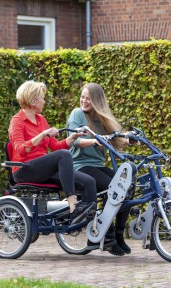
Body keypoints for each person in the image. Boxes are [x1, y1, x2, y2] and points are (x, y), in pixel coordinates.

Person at [8, 80, 97, 222]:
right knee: (63, 155)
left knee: (89, 182)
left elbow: (56, 147)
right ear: (33, 100)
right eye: (42, 98)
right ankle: (72, 202)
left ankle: (89, 227)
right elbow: (20, 149)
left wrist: (72, 139)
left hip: (43, 170)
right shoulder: (17, 121)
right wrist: (43, 134)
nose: (44, 101)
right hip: (24, 170)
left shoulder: (41, 119)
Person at [67, 83, 132, 256]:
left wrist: (129, 138)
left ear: (96, 101)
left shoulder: (101, 120)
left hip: (98, 166)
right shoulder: (77, 114)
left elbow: (116, 137)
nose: (84, 101)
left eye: (88, 98)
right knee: (113, 188)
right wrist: (94, 140)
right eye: (82, 97)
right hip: (80, 165)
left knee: (127, 188)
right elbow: (74, 140)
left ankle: (119, 235)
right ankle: (108, 238)